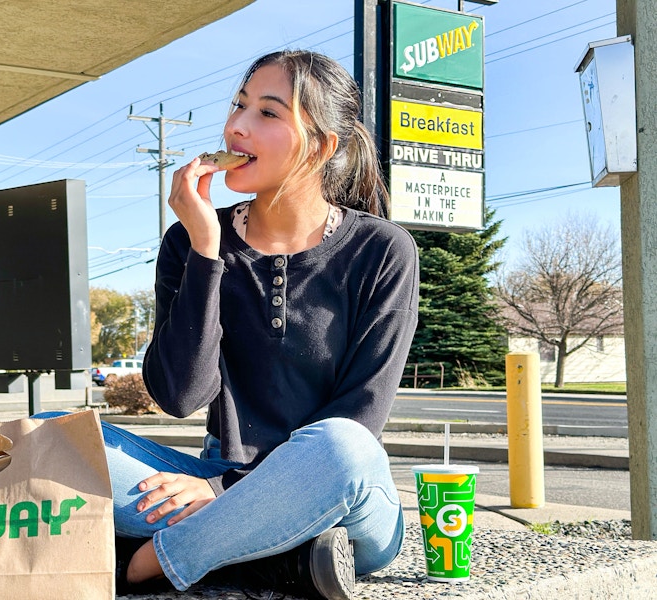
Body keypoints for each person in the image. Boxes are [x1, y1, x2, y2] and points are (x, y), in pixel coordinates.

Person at [44, 49, 418, 600]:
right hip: (210, 481)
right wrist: (204, 251)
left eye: (268, 113)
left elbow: (360, 418)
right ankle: (277, 559)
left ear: (322, 146)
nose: (236, 126)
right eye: (239, 106)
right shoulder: (191, 240)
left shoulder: (383, 250)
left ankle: (159, 560)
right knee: (50, 432)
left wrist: (223, 491)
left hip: (339, 495)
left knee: (343, 448)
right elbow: (179, 395)